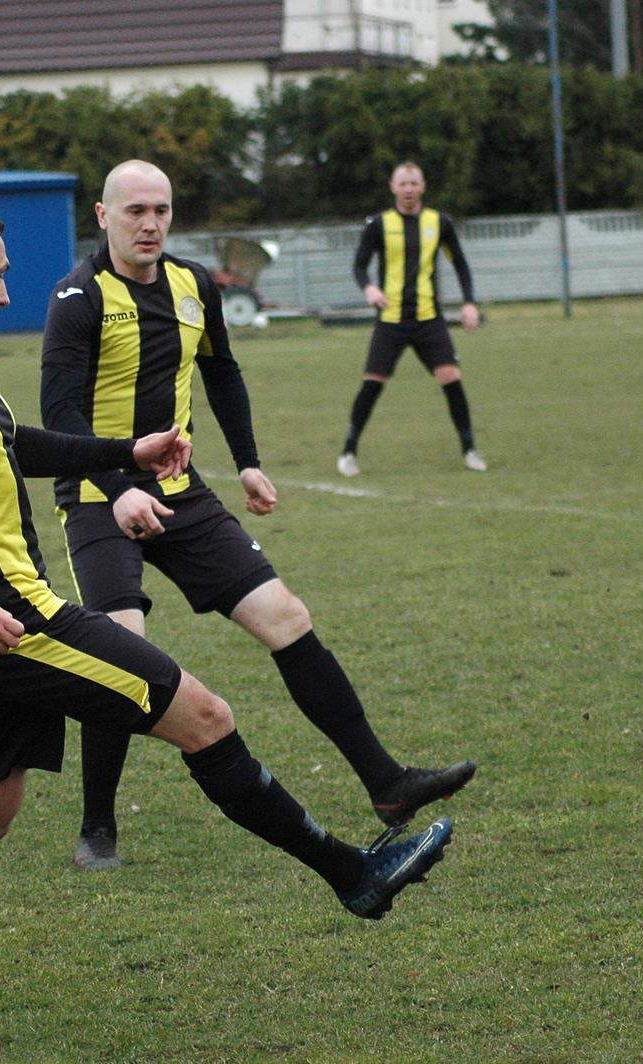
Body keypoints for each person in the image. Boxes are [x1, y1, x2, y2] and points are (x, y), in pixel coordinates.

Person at [0, 199, 454, 1042]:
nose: (8, 294)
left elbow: (15, 444)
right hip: (14, 624)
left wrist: (123, 453)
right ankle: (355, 874)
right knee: (205, 715)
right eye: (0, 274)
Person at [41, 159, 476, 871]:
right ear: (102, 216)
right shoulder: (77, 297)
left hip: (180, 490)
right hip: (98, 495)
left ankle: (387, 784)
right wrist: (115, 486)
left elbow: (221, 368)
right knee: (122, 649)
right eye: (135, 212)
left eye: (162, 210)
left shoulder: (193, 284)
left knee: (288, 618)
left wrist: (246, 459)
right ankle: (98, 826)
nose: (150, 224)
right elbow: (58, 410)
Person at [337, 161, 485, 476]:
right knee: (373, 383)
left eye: (414, 183)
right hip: (390, 320)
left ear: (423, 186)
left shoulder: (439, 222)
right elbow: (359, 265)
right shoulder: (378, 224)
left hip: (429, 319)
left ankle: (470, 450)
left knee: (451, 379)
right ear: (393, 187)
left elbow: (460, 264)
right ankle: (348, 452)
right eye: (403, 184)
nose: (408, 189)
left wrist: (469, 303)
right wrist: (369, 289)